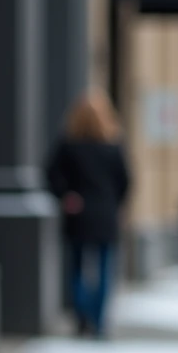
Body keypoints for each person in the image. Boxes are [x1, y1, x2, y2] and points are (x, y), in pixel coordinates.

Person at [47, 89, 131, 339]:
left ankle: (82, 317)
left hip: (79, 214)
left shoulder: (68, 146)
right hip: (105, 215)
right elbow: (126, 181)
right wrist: (115, 204)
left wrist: (66, 195)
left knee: (77, 268)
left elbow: (51, 175)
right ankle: (98, 320)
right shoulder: (113, 147)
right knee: (104, 269)